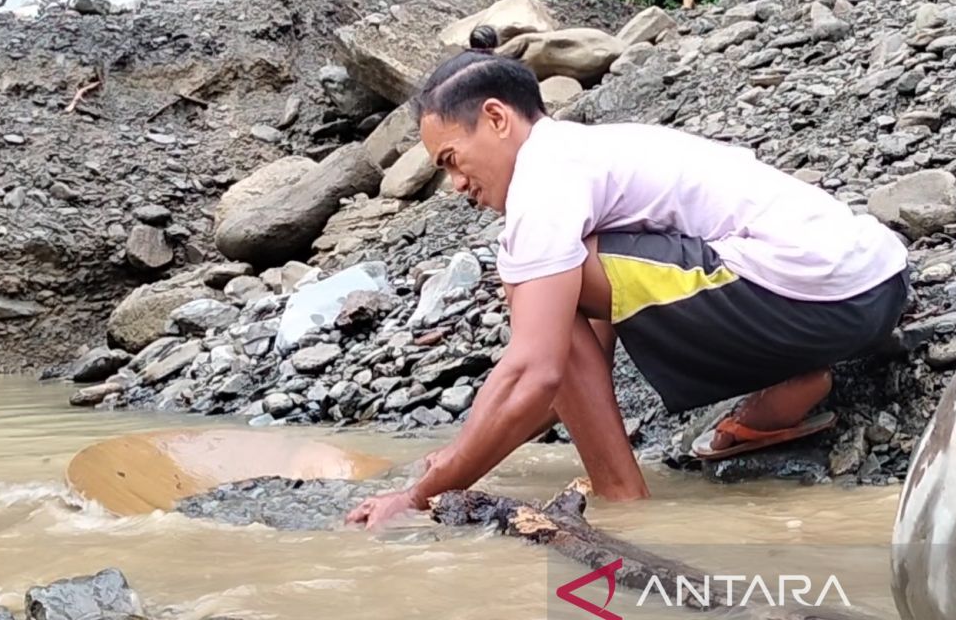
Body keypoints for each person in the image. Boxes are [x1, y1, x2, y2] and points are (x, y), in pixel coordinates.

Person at [346, 50, 909, 529]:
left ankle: (625, 502)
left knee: (536, 286)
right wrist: (457, 453)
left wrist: (417, 500)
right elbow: (568, 374)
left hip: (810, 297)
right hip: (873, 290)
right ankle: (790, 385)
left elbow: (539, 372)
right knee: (557, 284)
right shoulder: (587, 154)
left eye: (451, 160)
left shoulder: (545, 179)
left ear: (496, 119)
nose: (457, 184)